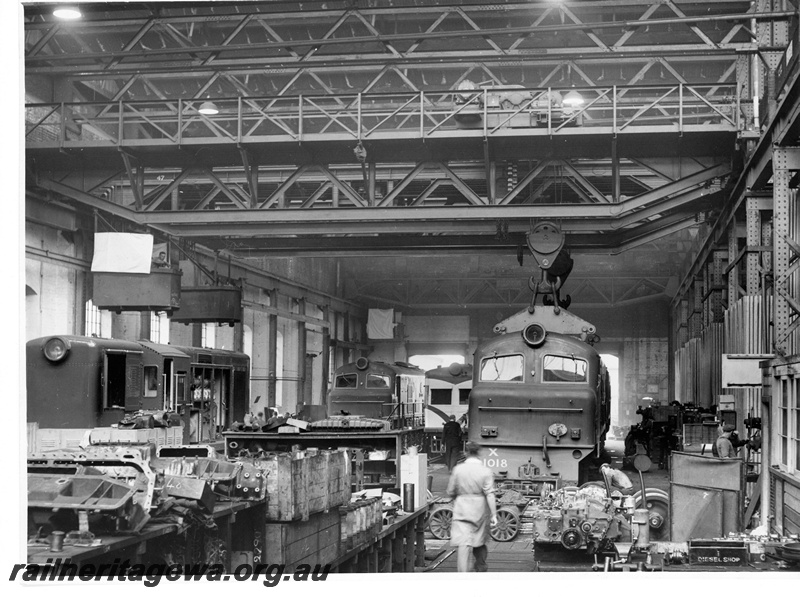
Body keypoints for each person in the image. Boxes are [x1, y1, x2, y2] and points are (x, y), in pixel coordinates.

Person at [446, 442, 498, 572]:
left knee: (464, 543)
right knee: (479, 540)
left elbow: (450, 491)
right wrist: (494, 514)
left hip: (462, 508)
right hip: (479, 509)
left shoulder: (458, 469)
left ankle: (463, 575)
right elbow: (490, 494)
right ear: (478, 453)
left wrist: (458, 496)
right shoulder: (485, 471)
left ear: (466, 452)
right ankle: (481, 567)